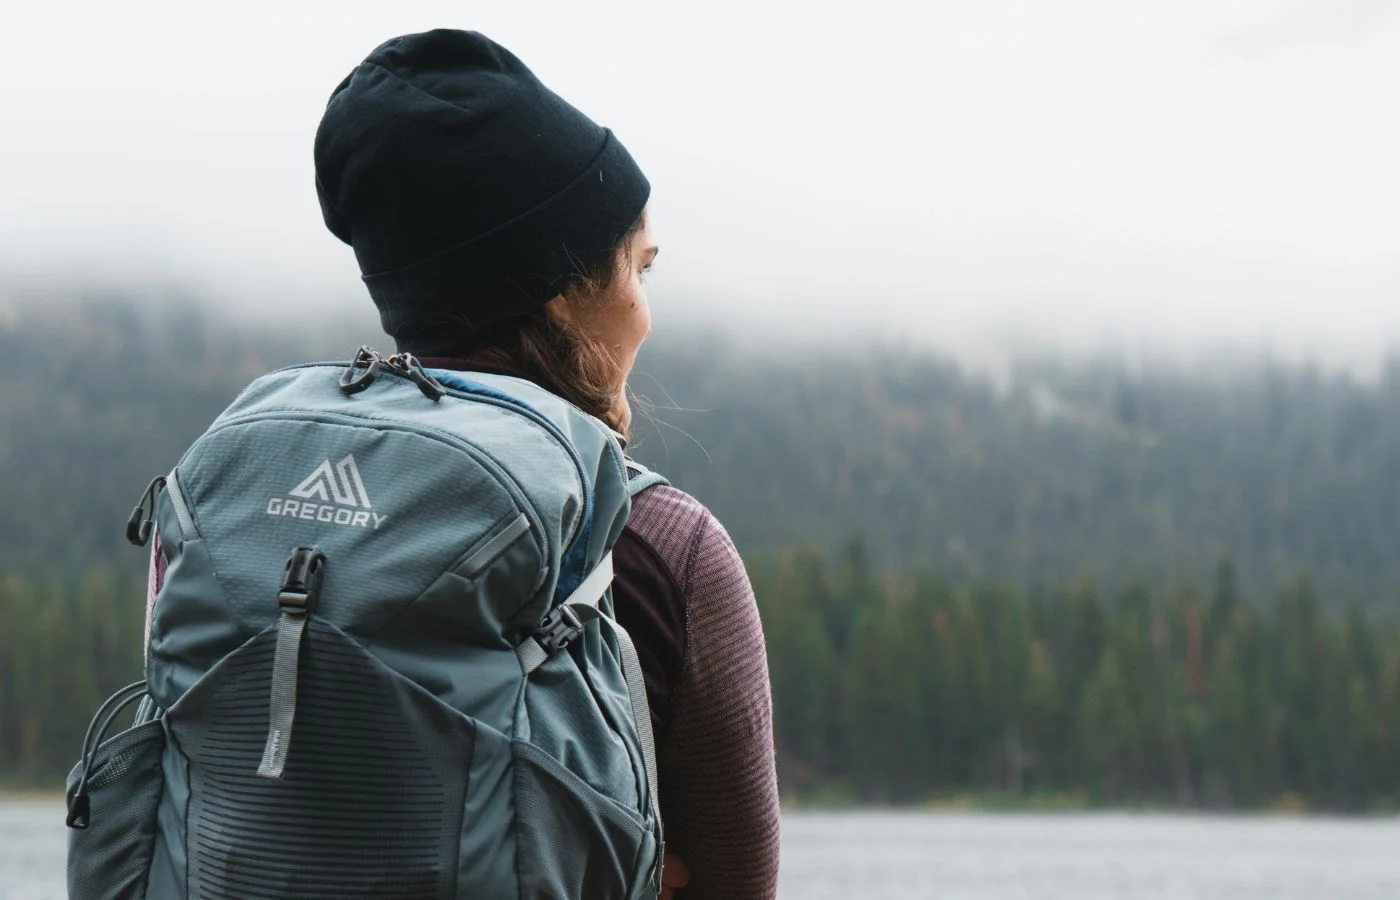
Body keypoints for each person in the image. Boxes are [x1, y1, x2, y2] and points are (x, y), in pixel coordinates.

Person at [312, 29, 782, 899]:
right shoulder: (661, 547)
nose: (647, 314)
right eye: (639, 271)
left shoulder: (254, 502)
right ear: (564, 291)